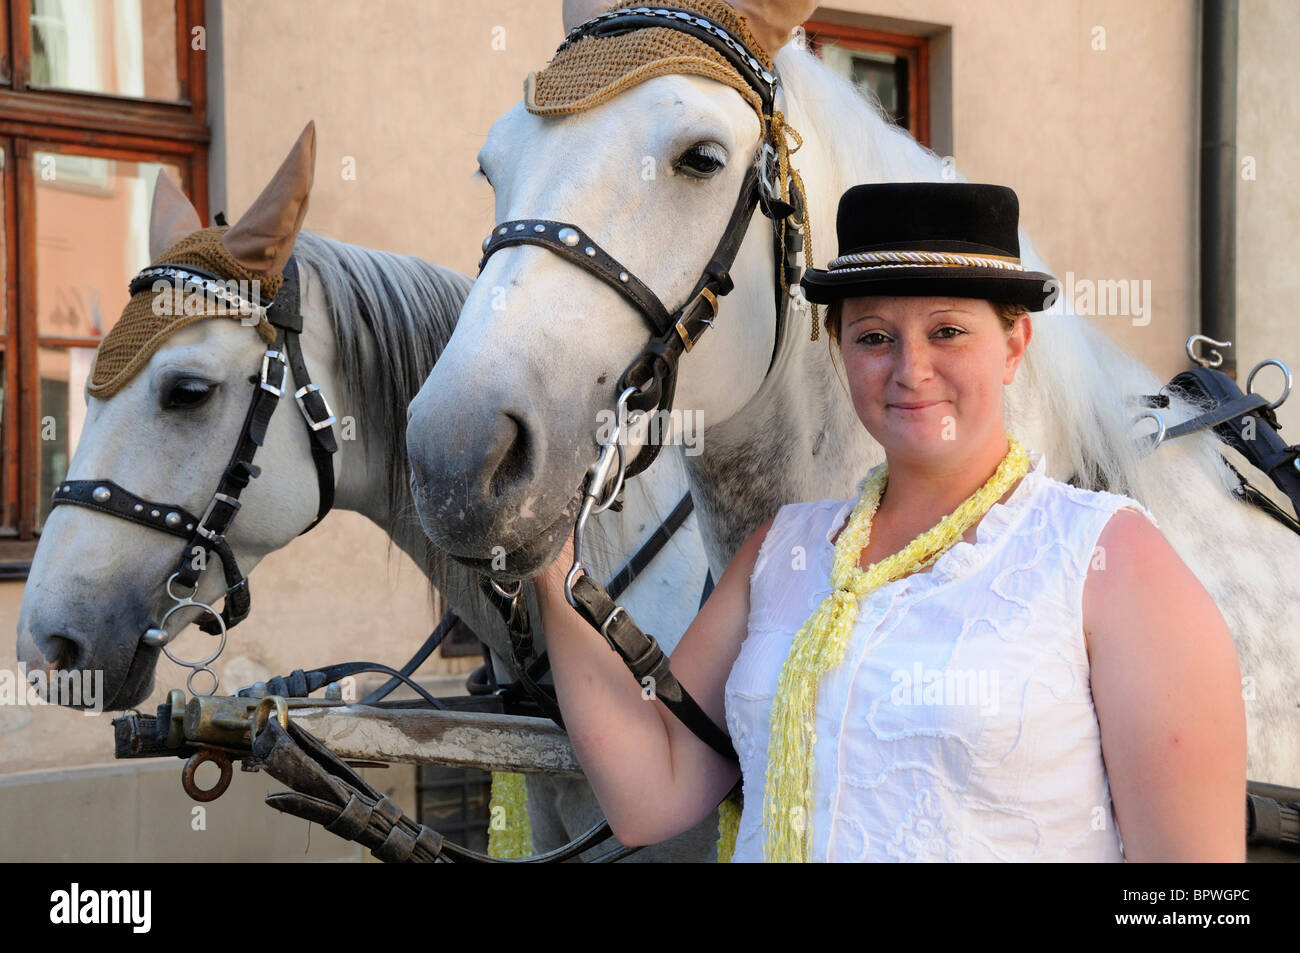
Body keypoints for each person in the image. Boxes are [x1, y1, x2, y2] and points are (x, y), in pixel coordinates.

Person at [532, 181, 1246, 862]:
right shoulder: (782, 551)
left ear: (1015, 347)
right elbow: (652, 789)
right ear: (840, 350)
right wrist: (549, 564)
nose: (911, 368)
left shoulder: (1110, 558)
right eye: (874, 337)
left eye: (947, 331)